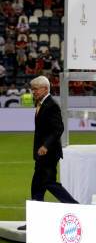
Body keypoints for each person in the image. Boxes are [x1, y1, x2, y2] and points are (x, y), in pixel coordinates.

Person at [19, 76, 78, 230]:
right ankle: (35, 221)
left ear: (45, 88)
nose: (33, 92)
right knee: (37, 187)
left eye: (36, 89)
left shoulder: (51, 105)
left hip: (49, 153)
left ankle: (77, 208)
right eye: (32, 89)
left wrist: (45, 146)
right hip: (42, 154)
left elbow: (58, 128)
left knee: (49, 183)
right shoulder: (41, 103)